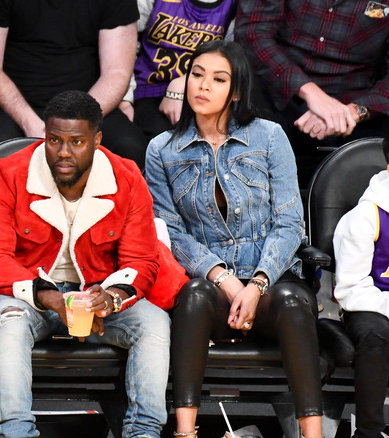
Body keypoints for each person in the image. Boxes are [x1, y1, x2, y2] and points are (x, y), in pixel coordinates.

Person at [0, 90, 187, 438]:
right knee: (9, 320)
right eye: (54, 139)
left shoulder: (126, 177)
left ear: (97, 140)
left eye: (76, 141)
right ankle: (16, 431)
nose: (63, 152)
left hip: (97, 297)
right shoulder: (8, 173)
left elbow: (142, 259)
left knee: (153, 323)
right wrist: (47, 295)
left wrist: (114, 296)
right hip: (30, 296)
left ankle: (144, 432)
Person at [144, 40, 323, 438]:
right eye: (197, 75)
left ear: (236, 91)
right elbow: (169, 230)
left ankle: (313, 435)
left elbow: (291, 222)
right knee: (191, 297)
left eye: (218, 79)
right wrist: (222, 277)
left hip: (273, 282)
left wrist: (257, 283)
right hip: (211, 284)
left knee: (294, 302)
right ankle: (185, 432)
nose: (202, 86)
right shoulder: (162, 149)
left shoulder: (269, 137)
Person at [0, 0, 148, 167]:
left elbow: (117, 72)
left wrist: (74, 122)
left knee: (129, 147)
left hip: (87, 103)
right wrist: (29, 122)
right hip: (11, 104)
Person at [235, 0, 389, 184]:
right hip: (275, 88)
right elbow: (252, 33)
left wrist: (353, 112)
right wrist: (312, 93)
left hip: (356, 107)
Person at [332, 136, 389, 438]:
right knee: (376, 334)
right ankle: (369, 432)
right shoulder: (366, 216)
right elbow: (350, 288)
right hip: (369, 305)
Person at [123, 0, 236, 141]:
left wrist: (182, 83)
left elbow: (231, 59)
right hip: (147, 88)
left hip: (201, 91)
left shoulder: (234, 6)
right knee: (164, 141)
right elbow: (123, 44)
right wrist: (124, 99)